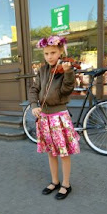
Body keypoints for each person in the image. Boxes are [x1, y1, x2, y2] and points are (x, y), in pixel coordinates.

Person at [28, 35, 80, 200]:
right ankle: (55, 181)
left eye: (53, 52)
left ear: (60, 52)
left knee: (63, 153)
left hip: (59, 117)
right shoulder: (42, 70)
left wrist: (68, 73)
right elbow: (34, 89)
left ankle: (66, 184)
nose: (49, 56)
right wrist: (34, 105)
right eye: (46, 53)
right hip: (44, 117)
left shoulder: (65, 69)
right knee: (51, 152)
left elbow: (66, 90)